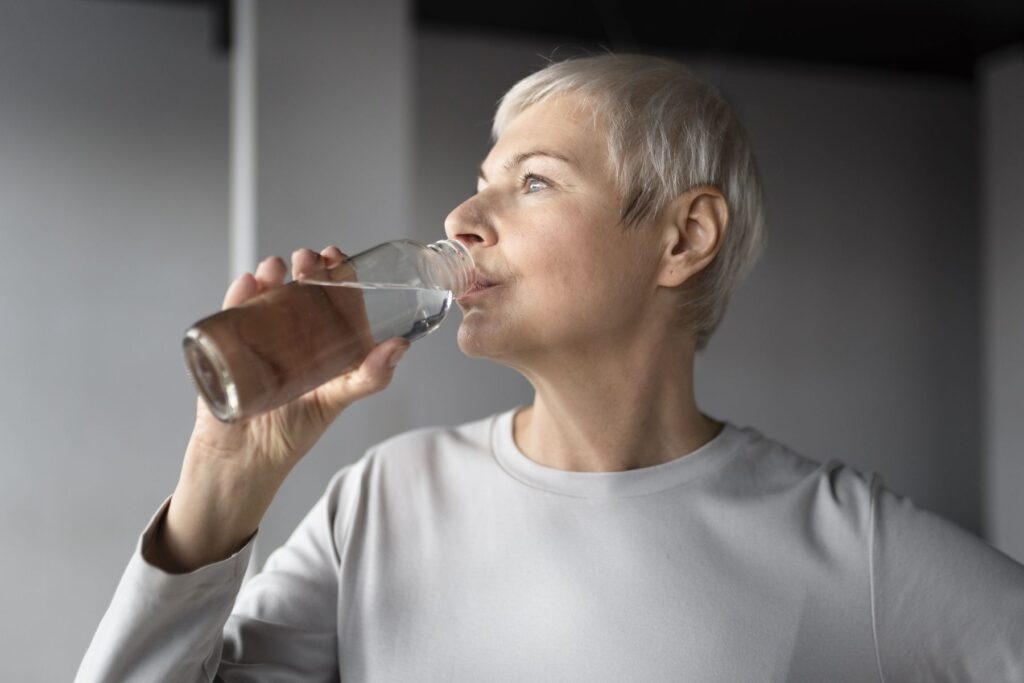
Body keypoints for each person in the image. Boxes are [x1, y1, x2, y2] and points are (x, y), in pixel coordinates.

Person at [77, 54, 1024, 682]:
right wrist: (225, 481)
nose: (460, 219)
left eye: (532, 181)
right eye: (481, 180)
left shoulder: (847, 545)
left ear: (683, 237)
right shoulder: (383, 501)